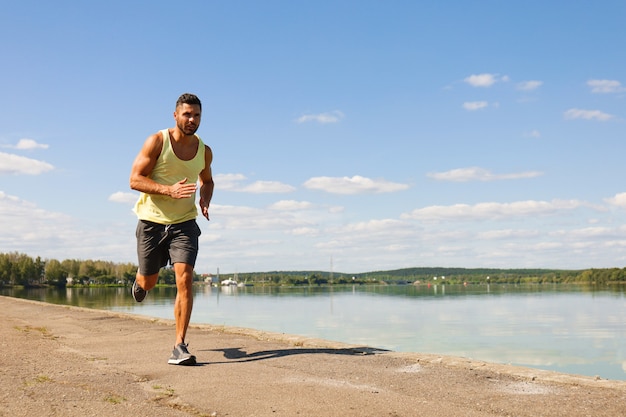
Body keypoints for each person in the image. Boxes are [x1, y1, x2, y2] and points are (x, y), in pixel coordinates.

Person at [129, 93, 214, 366]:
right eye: (187, 114)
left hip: (184, 224)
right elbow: (134, 179)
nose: (192, 120)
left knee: (185, 279)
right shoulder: (157, 141)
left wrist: (204, 198)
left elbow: (208, 180)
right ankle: (141, 280)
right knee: (149, 282)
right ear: (175, 115)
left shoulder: (204, 150)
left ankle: (179, 345)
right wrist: (168, 190)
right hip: (152, 222)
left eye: (197, 115)